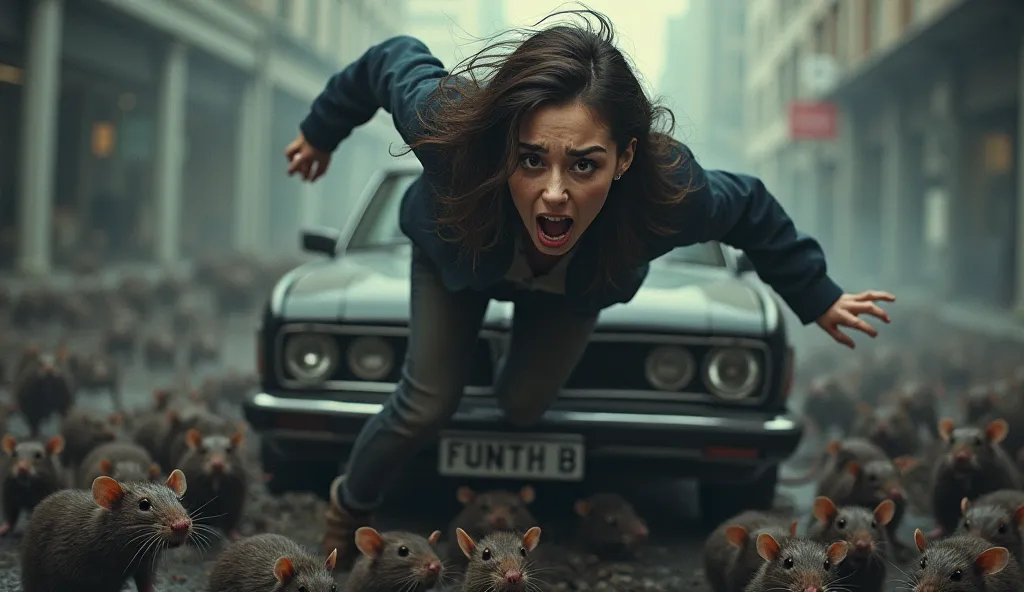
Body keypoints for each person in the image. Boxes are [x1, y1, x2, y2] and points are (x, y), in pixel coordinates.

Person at [285, 9, 895, 565]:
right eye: (531, 161)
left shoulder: (669, 192)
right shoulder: (449, 126)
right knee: (425, 403)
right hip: (460, 258)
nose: (555, 192)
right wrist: (321, 131)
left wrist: (816, 295)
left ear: (624, 159)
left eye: (584, 164)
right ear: (504, 148)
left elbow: (752, 209)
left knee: (523, 407)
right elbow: (389, 57)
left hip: (574, 287)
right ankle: (351, 505)